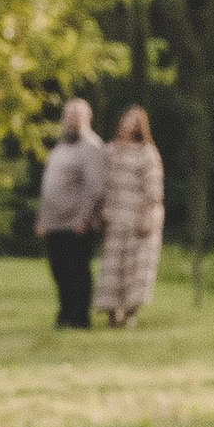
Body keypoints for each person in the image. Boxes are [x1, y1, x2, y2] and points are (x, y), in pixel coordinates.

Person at [33, 97, 106, 329]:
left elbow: (95, 188)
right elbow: (49, 186)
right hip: (53, 222)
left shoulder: (91, 146)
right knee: (59, 272)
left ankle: (79, 318)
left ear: (88, 118)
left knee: (77, 273)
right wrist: (42, 219)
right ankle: (65, 313)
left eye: (77, 116)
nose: (72, 120)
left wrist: (82, 219)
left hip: (76, 223)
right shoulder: (62, 145)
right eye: (69, 115)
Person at [93, 105, 165, 324]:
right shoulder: (109, 151)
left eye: (134, 122)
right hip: (115, 216)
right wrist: (101, 212)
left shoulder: (147, 152)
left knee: (137, 267)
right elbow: (102, 184)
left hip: (139, 216)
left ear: (140, 126)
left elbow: (153, 190)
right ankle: (112, 314)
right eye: (126, 120)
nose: (128, 125)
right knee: (113, 268)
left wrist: (146, 216)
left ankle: (130, 314)